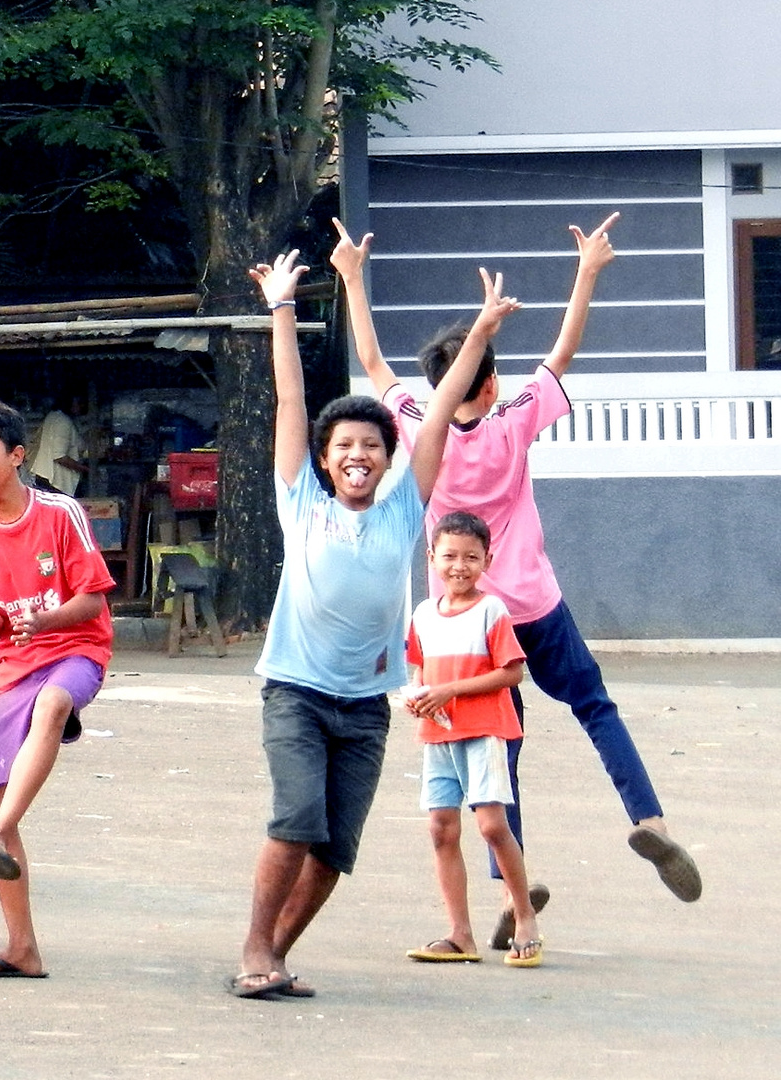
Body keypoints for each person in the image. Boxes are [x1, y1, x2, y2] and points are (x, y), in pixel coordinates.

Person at [333, 213, 702, 911]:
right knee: (593, 705)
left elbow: (374, 362)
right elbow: (561, 354)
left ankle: (511, 883)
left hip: (465, 616)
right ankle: (646, 818)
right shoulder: (514, 417)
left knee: (501, 747)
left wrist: (351, 276)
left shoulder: (416, 421)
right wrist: (586, 272)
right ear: (491, 385)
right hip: (531, 601)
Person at [231, 251, 518, 1001]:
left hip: (363, 707)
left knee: (331, 851)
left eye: (370, 445)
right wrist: (281, 308)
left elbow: (442, 416)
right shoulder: (301, 503)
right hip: (294, 690)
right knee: (295, 819)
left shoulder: (402, 509)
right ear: (324, 464)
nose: (357, 454)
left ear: (388, 458)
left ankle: (277, 955)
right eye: (343, 447)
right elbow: (291, 402)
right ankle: (254, 948)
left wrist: (482, 331)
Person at [0, 398, 116, 979]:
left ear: (17, 455)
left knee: (54, 702)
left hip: (75, 650)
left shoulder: (61, 514)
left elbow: (92, 599)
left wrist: (42, 621)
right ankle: (22, 949)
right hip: (14, 663)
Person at [403, 511, 541, 968]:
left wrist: (449, 691)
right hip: (439, 735)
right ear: (431, 558)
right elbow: (420, 668)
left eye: (471, 557)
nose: (458, 566)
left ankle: (523, 916)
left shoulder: (491, 611)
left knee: (492, 826)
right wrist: (420, 695)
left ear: (488, 560)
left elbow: (511, 672)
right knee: (441, 829)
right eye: (449, 556)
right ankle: (460, 934)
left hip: (483, 732)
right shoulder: (424, 614)